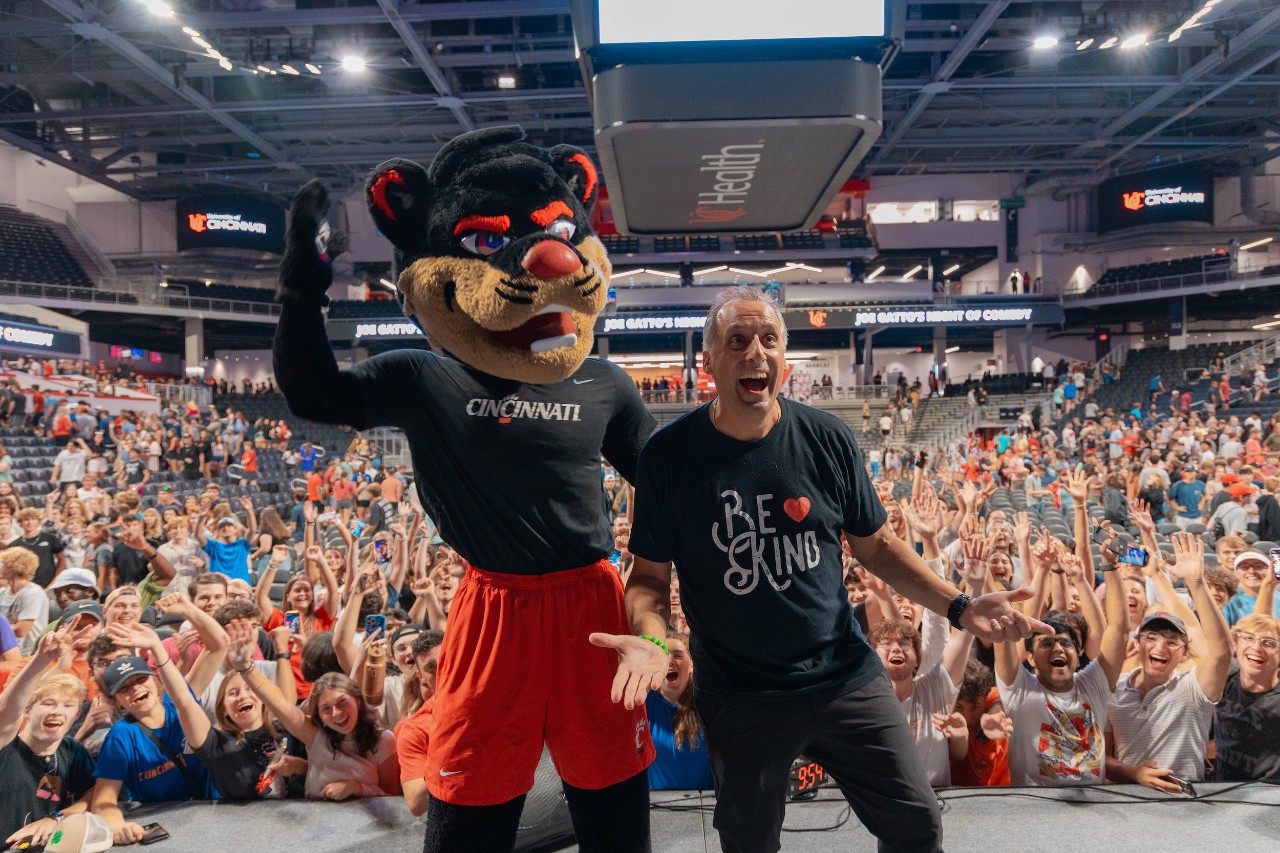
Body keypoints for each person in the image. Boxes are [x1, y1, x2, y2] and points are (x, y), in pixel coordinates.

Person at [608, 286, 1050, 853]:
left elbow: (879, 547)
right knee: (748, 842)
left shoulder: (827, 439)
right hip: (741, 692)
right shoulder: (667, 456)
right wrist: (653, 637)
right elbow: (648, 576)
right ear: (709, 363)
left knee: (918, 824)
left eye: (769, 340)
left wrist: (961, 606)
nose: (755, 353)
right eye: (737, 340)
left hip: (843, 676)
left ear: (785, 363)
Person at [1104, 534, 1232, 792]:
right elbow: (1102, 757)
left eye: (1172, 641)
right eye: (1151, 637)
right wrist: (1134, 774)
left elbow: (1222, 651)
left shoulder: (1194, 688)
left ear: (1185, 652)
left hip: (1183, 799)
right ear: (1137, 642)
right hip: (1125, 801)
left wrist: (1196, 585)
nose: (1160, 647)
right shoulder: (1113, 689)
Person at [0, 628, 97, 848]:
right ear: (27, 711)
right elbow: (7, 711)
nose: (57, 712)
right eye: (48, 704)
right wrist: (42, 658)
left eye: (67, 706)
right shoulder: (5, 745)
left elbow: (96, 793)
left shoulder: (71, 750)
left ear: (76, 715)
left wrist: (56, 818)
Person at [1214, 614, 1280, 781]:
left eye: (1269, 643)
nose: (1257, 648)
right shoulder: (1224, 679)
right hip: (1222, 791)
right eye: (1248, 638)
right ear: (1235, 645)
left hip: (1268, 796)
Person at [644, 634, 713, 791]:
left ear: (691, 665)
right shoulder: (643, 704)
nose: (670, 661)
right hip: (656, 806)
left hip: (702, 805)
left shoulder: (707, 704)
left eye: (678, 655)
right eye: (664, 655)